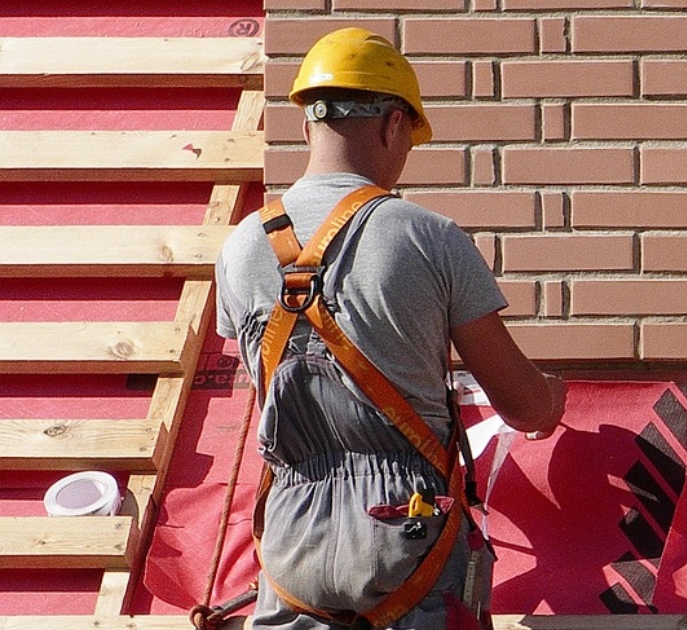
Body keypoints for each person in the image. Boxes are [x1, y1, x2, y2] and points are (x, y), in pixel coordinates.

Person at [215, 27, 566, 630]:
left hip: (291, 534)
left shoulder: (240, 247)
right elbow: (523, 406)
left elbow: (275, 392)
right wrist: (550, 399)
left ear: (307, 124)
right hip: (403, 529)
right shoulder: (428, 237)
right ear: (393, 124)